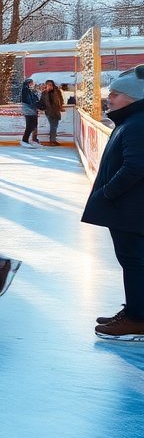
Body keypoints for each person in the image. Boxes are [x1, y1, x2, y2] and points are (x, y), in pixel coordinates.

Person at [85, 66, 144, 340]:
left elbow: (135, 167)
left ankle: (137, 318)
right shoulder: (132, 121)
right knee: (132, 261)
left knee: (134, 262)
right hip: (128, 208)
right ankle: (134, 310)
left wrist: (107, 193)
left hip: (130, 209)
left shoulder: (137, 124)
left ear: (135, 97)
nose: (109, 98)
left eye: (116, 94)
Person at [18, 78, 43, 148]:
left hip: (32, 111)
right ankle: (24, 140)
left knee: (34, 125)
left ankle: (34, 139)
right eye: (31, 83)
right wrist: (38, 105)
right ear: (28, 83)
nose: (32, 85)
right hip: (29, 111)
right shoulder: (25, 90)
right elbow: (30, 101)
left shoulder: (29, 90)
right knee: (30, 126)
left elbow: (34, 99)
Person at [41, 80, 65, 146]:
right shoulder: (44, 93)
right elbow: (42, 102)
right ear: (46, 85)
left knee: (55, 126)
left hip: (56, 111)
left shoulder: (57, 92)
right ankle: (52, 140)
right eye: (48, 84)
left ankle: (53, 140)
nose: (49, 86)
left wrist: (60, 107)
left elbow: (61, 100)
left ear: (53, 85)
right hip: (49, 112)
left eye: (50, 84)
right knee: (53, 126)